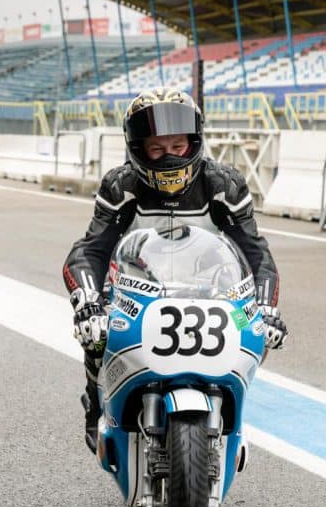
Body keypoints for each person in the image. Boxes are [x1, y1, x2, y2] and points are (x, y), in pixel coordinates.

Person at [63, 86, 288, 453]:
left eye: (177, 146)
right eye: (156, 148)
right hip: (135, 290)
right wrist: (87, 302)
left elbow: (256, 253)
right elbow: (90, 249)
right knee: (94, 333)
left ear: (194, 141)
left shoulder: (223, 186)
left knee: (258, 334)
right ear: (138, 149)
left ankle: (229, 412)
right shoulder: (121, 186)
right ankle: (96, 400)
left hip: (209, 293)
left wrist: (266, 309)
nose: (168, 157)